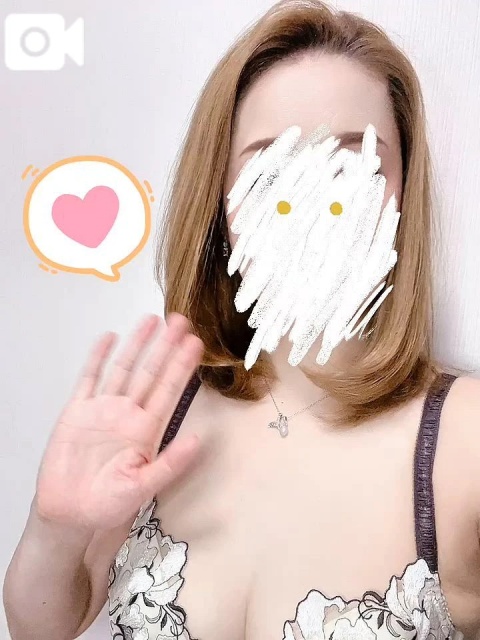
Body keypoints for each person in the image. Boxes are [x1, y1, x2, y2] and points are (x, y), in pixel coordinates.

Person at [4, 1, 480, 639]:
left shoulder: (464, 439)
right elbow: (45, 626)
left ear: (403, 189)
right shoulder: (161, 409)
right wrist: (54, 528)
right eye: (270, 165)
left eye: (352, 161)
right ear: (220, 204)